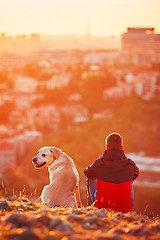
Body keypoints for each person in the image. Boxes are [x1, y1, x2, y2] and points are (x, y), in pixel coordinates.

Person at [84, 133, 139, 213]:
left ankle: (91, 208)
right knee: (130, 179)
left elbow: (87, 172)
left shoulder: (99, 163)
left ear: (106, 147)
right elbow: (136, 174)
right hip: (125, 209)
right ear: (122, 148)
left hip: (103, 207)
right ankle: (128, 208)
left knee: (91, 178)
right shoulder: (130, 164)